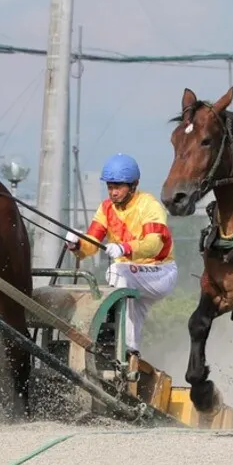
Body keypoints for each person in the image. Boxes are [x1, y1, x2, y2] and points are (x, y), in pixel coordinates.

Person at [63, 153, 178, 371]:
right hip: (134, 275)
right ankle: (126, 358)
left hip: (160, 272)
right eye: (110, 186)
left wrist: (125, 248)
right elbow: (92, 244)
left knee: (116, 271)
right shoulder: (106, 208)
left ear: (133, 185)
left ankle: (111, 336)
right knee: (130, 329)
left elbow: (155, 244)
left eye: (118, 187)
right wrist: (77, 245)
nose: (113, 192)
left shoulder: (149, 205)